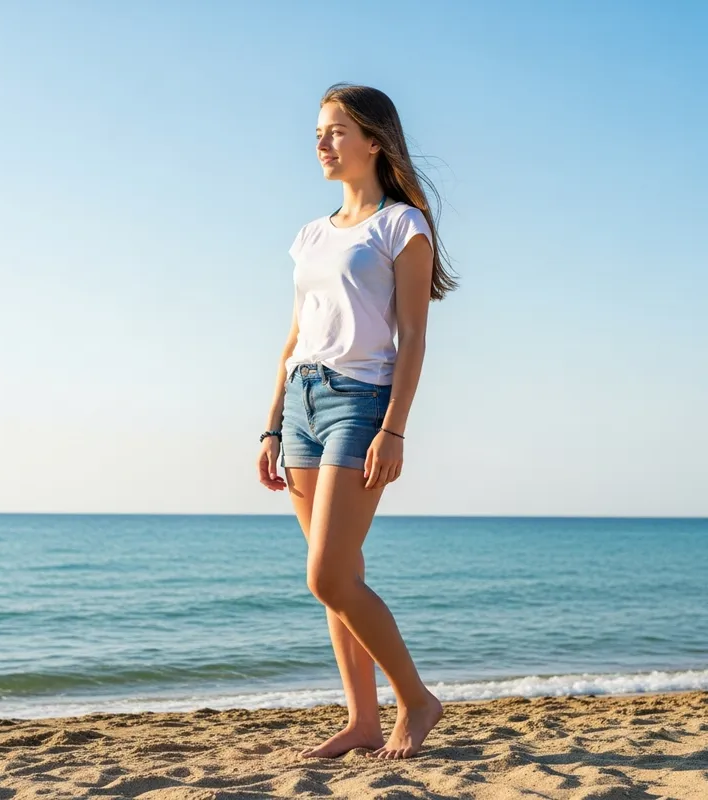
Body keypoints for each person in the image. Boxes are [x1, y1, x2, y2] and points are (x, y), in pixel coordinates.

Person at [257, 83, 459, 760]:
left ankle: (417, 700)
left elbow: (412, 338)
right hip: (301, 406)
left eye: (336, 130)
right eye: (318, 131)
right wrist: (268, 425)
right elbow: (293, 339)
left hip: (360, 401)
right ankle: (363, 722)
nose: (321, 142)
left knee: (328, 576)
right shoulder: (311, 235)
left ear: (374, 140)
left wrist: (394, 429)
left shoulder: (403, 226)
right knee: (340, 576)